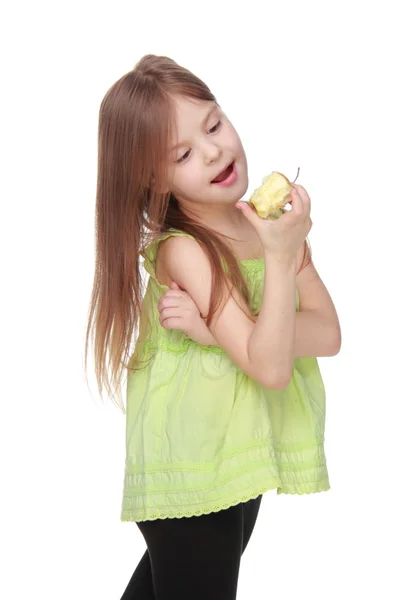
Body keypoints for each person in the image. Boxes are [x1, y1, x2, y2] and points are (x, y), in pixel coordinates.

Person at [84, 54, 341, 600]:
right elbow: (270, 366)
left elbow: (328, 334)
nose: (215, 151)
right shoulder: (185, 250)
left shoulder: (270, 228)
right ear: (153, 178)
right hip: (191, 459)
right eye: (183, 154)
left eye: (215, 124)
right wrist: (279, 261)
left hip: (238, 450)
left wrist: (226, 331)